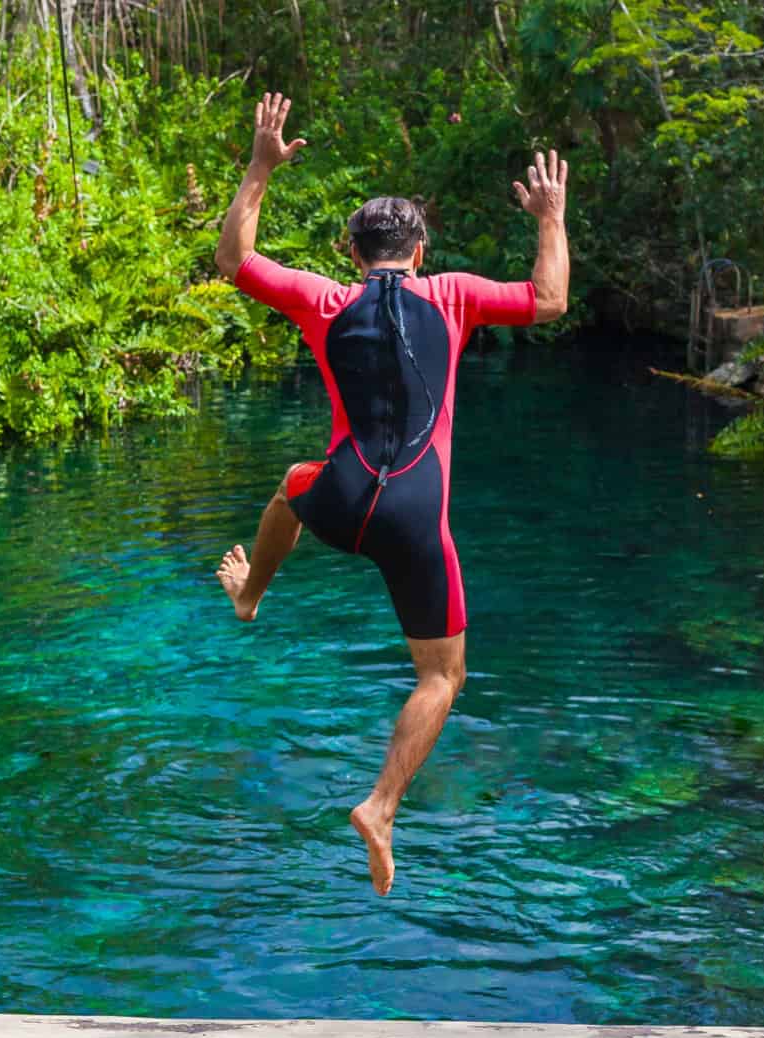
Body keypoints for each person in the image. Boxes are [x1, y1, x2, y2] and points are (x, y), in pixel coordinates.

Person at [212, 92, 570, 897]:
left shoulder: (325, 300)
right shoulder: (452, 296)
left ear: (351, 249)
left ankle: (250, 596)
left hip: (339, 499)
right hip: (414, 518)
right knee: (442, 677)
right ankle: (380, 805)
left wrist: (261, 169)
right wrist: (549, 216)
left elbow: (233, 261)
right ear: (421, 251)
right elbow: (549, 300)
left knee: (290, 488)